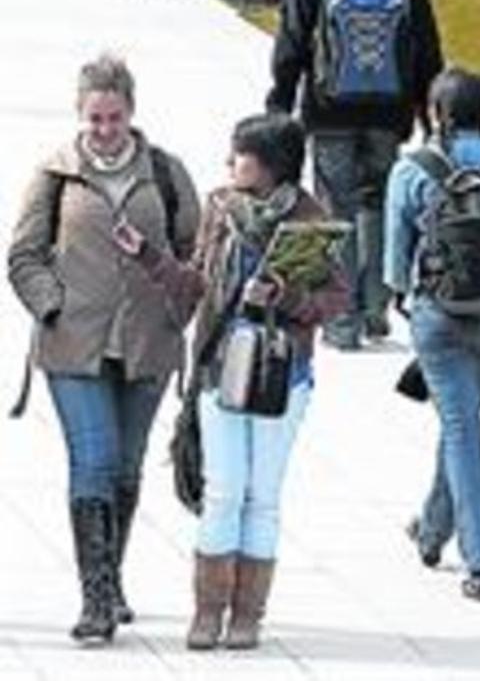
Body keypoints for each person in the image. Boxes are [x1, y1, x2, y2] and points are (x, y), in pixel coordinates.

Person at [126, 113, 350, 650]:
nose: (231, 163)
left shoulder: (310, 219)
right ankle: (208, 611)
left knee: (263, 495)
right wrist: (150, 257)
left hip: (280, 372)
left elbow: (336, 298)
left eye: (240, 154)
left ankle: (248, 613)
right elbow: (197, 280)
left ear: (270, 164)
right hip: (220, 367)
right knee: (224, 490)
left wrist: (288, 299)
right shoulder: (222, 209)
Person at [6, 54, 200, 644]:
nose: (105, 129)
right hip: (76, 345)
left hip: (147, 342)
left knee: (126, 464)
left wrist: (173, 299)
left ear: (132, 114)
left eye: (114, 118)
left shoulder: (166, 173)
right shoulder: (55, 174)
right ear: (80, 114)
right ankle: (94, 600)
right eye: (95, 118)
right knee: (92, 459)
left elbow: (196, 256)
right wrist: (52, 305)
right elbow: (22, 255)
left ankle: (112, 578)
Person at [267, 0, 443, 350]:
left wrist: (279, 105)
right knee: (382, 203)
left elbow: (291, 45)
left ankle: (338, 319)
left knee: (332, 208)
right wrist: (430, 112)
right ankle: (374, 309)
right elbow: (427, 47)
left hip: (328, 111)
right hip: (390, 112)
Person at [384, 67, 480, 603]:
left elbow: (395, 270)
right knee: (461, 424)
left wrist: (407, 301)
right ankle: (430, 530)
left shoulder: (413, 170)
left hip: (440, 317)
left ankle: (479, 560)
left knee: (461, 429)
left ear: (435, 114)